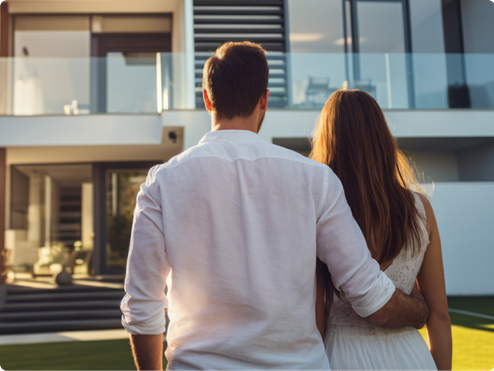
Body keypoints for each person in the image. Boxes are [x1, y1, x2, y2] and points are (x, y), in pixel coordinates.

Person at [121, 42, 429, 371]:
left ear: (207, 99)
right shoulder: (316, 181)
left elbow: (142, 309)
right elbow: (369, 296)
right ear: (264, 100)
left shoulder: (162, 183)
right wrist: (420, 311)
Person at [312, 89, 452, 370]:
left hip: (342, 357)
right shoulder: (419, 209)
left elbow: (315, 322)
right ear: (382, 139)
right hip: (410, 357)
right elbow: (439, 316)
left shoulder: (320, 210)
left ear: (329, 141)